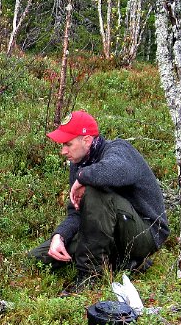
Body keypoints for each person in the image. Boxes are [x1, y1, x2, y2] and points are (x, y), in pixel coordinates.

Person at [29, 110, 169, 293]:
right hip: (109, 229)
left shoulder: (119, 150)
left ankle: (89, 277)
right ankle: (120, 262)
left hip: (145, 234)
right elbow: (77, 212)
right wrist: (60, 236)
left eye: (68, 144)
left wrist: (83, 177)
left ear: (86, 140)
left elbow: (116, 170)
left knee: (95, 191)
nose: (63, 151)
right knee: (40, 257)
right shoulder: (79, 163)